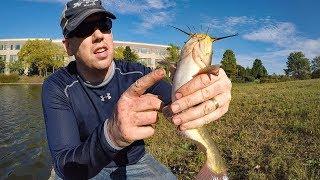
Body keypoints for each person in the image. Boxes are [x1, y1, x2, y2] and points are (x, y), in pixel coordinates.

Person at [42, 0, 232, 179]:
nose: (99, 35)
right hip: (83, 168)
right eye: (84, 29)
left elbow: (178, 104)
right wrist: (111, 135)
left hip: (134, 162)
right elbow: (65, 164)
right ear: (68, 46)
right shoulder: (57, 87)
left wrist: (209, 91)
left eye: (104, 24)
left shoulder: (137, 74)